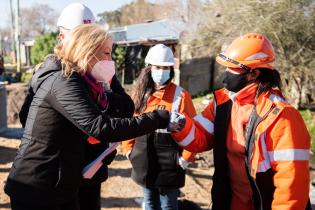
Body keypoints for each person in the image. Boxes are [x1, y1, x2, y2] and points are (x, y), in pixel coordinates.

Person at [4, 24, 170, 210]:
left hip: (60, 184)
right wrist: (156, 119)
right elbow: (100, 127)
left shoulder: (81, 82)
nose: (110, 60)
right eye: (107, 53)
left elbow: (85, 128)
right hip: (37, 188)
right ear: (88, 51)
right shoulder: (64, 81)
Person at [169, 33, 311, 210]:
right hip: (229, 202)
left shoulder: (281, 116)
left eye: (231, 68)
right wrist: (177, 123)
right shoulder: (223, 103)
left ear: (253, 74)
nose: (225, 75)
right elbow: (200, 137)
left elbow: (291, 186)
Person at [18, 3, 133, 210]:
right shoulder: (49, 74)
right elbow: (27, 119)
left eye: (90, 36)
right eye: (80, 36)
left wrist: (102, 95)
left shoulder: (101, 71)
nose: (86, 44)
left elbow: (127, 107)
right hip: (60, 173)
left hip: (91, 168)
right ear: (62, 38)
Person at [122, 44, 196, 210]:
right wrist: (128, 150)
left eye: (165, 67)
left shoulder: (181, 95)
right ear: (149, 68)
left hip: (171, 162)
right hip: (144, 159)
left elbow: (194, 131)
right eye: (157, 67)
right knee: (149, 203)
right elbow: (129, 124)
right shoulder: (139, 94)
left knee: (168, 205)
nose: (161, 71)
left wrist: (185, 159)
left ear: (171, 70)